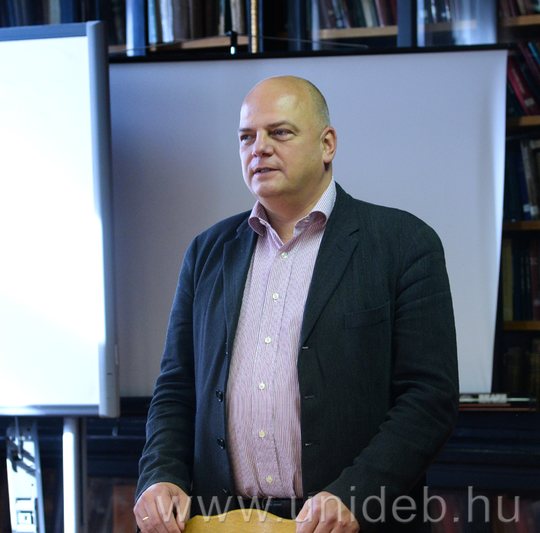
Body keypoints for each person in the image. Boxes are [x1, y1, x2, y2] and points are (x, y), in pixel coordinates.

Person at [133, 76, 458, 533]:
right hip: (221, 520)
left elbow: (429, 399)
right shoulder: (208, 252)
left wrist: (355, 495)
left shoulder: (404, 244)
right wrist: (161, 474)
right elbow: (175, 387)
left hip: (349, 522)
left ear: (327, 145)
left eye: (279, 132)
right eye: (246, 137)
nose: (259, 148)